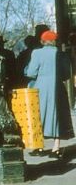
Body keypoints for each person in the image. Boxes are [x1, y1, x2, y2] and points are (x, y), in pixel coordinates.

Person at [24, 30, 75, 158]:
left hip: (39, 87)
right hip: (57, 87)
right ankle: (56, 148)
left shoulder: (37, 53)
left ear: (42, 41)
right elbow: (66, 75)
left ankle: (39, 147)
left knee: (38, 115)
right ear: (55, 41)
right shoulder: (61, 54)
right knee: (57, 116)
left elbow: (31, 72)